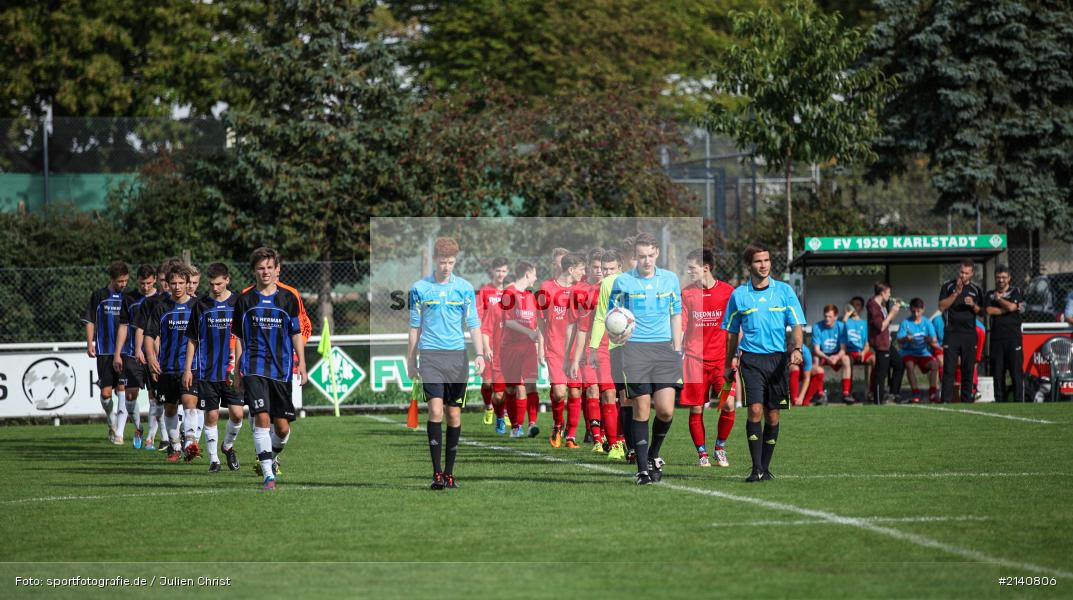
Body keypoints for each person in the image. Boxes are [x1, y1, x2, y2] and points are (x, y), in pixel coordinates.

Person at [722, 243, 804, 482]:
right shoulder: (739, 295)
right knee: (755, 410)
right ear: (750, 265)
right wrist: (730, 362)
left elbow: (797, 324)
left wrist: (797, 348)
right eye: (758, 261)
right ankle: (755, 468)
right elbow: (731, 332)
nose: (764, 265)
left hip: (778, 360)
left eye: (767, 260)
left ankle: (765, 469)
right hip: (751, 360)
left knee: (773, 415)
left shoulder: (784, 292)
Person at [608, 232, 683, 485]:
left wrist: (677, 346)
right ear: (634, 257)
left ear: (657, 254)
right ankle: (642, 470)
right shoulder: (623, 282)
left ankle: (652, 455)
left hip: (664, 350)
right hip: (635, 350)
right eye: (641, 256)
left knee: (665, 410)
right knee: (641, 407)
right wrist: (616, 335)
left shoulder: (670, 280)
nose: (646, 261)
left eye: (650, 255)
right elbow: (614, 316)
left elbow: (676, 314)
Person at [233, 248, 309, 491]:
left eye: (269, 267)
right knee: (261, 418)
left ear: (277, 270)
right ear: (254, 270)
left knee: (283, 428)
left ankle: (271, 456)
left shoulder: (288, 298)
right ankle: (268, 475)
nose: (265, 272)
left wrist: (302, 363)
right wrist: (237, 370)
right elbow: (239, 338)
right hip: (254, 366)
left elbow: (295, 332)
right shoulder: (244, 300)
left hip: (281, 369)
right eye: (260, 268)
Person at [183, 263, 241, 473]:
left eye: (219, 283)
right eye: (211, 284)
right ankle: (214, 460)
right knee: (212, 415)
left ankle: (227, 446)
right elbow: (192, 339)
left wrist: (240, 366)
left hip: (231, 371)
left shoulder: (237, 302)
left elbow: (242, 337)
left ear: (227, 280)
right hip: (207, 370)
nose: (215, 288)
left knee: (237, 414)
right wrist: (188, 368)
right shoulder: (201, 305)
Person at [680, 249, 735, 468]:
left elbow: (734, 325)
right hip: (694, 360)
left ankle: (720, 448)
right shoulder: (687, 294)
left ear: (706, 268)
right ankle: (702, 453)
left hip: (721, 361)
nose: (689, 271)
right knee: (696, 408)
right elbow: (682, 326)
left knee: (728, 405)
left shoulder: (728, 292)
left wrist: (736, 354)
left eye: (692, 268)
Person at [587, 238, 639, 463]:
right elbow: (601, 317)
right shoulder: (606, 286)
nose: (607, 274)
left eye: (611, 269)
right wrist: (592, 347)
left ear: (621, 267)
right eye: (603, 269)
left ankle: (632, 442)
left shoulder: (634, 283)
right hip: (611, 348)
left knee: (632, 398)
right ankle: (616, 443)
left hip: (636, 348)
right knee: (612, 394)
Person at [145, 264, 196, 462]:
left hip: (191, 367)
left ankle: (190, 442)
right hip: (167, 366)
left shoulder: (197, 306)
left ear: (187, 283)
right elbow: (149, 336)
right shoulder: (161, 308)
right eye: (172, 283)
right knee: (170, 408)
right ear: (167, 283)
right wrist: (151, 359)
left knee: (190, 403)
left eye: (181, 283)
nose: (176, 287)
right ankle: (174, 445)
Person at [567, 248, 613, 453]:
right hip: (588, 350)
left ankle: (610, 435)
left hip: (611, 350)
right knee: (592, 390)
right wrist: (571, 356)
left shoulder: (614, 289)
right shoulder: (580, 291)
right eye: (595, 267)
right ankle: (596, 439)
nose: (599, 271)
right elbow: (576, 326)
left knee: (609, 395)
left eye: (602, 268)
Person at [539, 251, 586, 448]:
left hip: (577, 350)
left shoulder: (583, 289)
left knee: (575, 393)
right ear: (571, 269)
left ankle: (571, 436)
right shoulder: (546, 288)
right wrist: (541, 346)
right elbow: (541, 320)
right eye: (581, 269)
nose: (584, 273)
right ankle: (558, 424)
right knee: (559, 392)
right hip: (555, 349)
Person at [83, 261, 129, 444]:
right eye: (120, 281)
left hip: (125, 351)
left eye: (126, 280)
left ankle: (120, 432)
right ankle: (111, 421)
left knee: (122, 390)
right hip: (104, 351)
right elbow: (89, 320)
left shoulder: (129, 297)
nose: (123, 284)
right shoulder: (99, 296)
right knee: (106, 394)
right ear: (111, 279)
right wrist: (89, 343)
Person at [111, 263, 156, 449]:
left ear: (154, 280)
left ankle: (151, 438)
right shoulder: (129, 298)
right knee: (130, 396)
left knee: (155, 397)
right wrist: (117, 354)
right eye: (142, 283)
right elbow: (123, 326)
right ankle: (138, 428)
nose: (145, 287)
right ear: (137, 281)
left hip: (154, 354)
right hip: (131, 354)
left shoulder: (162, 299)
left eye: (148, 283)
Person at [500, 261, 544, 438]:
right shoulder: (509, 292)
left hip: (528, 348)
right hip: (510, 347)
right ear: (527, 274)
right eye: (534, 274)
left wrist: (537, 344)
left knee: (531, 384)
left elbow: (536, 322)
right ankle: (515, 427)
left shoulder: (531, 296)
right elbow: (508, 321)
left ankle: (532, 424)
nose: (536, 278)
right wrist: (529, 332)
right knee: (511, 388)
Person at [937, 259, 984, 404]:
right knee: (949, 370)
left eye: (966, 273)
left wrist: (973, 305)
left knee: (968, 370)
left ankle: (966, 401)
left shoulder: (976, 290)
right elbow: (941, 306)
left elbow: (981, 312)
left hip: (969, 335)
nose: (963, 275)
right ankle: (946, 401)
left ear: (972, 274)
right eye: (961, 272)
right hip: (951, 333)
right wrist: (955, 294)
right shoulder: (948, 286)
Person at [477, 257, 510, 426]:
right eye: (498, 271)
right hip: (488, 343)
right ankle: (488, 406)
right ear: (493, 271)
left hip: (505, 345)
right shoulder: (484, 291)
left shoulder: (510, 292)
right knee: (487, 382)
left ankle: (502, 412)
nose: (501, 274)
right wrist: (484, 346)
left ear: (508, 272)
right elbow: (479, 320)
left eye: (504, 271)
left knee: (503, 383)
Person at [986, 266, 1024, 402]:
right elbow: (989, 310)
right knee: (998, 373)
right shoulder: (990, 294)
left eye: (1003, 277)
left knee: (1016, 372)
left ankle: (1019, 401)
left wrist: (1000, 300)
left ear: (1009, 278)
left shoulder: (1016, 291)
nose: (1000, 280)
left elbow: (1012, 307)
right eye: (998, 277)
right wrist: (1007, 309)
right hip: (996, 339)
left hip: (1013, 338)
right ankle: (1000, 402)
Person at [898, 298, 941, 403]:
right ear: (910, 310)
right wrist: (906, 339)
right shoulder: (905, 323)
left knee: (935, 365)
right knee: (909, 365)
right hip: (909, 352)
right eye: (913, 311)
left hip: (923, 353)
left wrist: (929, 339)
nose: (916, 314)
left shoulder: (927, 322)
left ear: (923, 310)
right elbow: (899, 340)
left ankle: (933, 392)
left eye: (918, 311)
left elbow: (934, 339)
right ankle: (915, 393)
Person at [866, 282, 901, 404]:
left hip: (887, 342)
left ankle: (893, 394)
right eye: (889, 293)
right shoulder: (873, 306)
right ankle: (878, 401)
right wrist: (892, 313)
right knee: (881, 373)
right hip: (880, 344)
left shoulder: (882, 305)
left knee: (899, 365)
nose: (890, 295)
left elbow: (886, 324)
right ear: (882, 292)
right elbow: (880, 326)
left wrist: (892, 313)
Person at [812, 305, 853, 404]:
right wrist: (828, 358)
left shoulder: (841, 326)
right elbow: (817, 350)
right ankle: (820, 394)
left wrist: (837, 356)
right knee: (815, 359)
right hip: (823, 354)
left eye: (830, 316)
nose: (827, 319)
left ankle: (846, 393)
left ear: (835, 316)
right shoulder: (817, 327)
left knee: (846, 359)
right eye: (825, 316)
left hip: (836, 354)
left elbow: (843, 349)